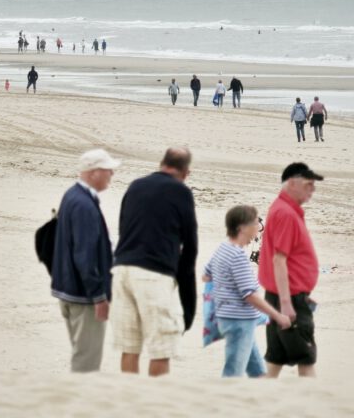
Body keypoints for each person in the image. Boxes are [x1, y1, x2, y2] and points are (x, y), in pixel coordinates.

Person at [111, 147, 198, 377]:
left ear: (162, 164)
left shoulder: (136, 186)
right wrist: (188, 307)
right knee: (161, 349)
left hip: (122, 270)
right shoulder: (181, 192)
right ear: (186, 172)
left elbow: (123, 229)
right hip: (153, 273)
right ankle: (154, 396)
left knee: (130, 346)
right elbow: (190, 248)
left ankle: (130, 396)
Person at [51, 149, 119, 373]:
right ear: (94, 172)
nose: (112, 174)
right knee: (86, 364)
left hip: (70, 289)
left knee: (82, 356)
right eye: (108, 170)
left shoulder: (73, 195)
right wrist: (99, 297)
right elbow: (85, 256)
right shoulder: (83, 204)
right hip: (83, 296)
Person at [202, 205, 291, 378]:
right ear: (242, 228)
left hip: (230, 318)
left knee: (258, 373)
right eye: (256, 223)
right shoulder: (238, 256)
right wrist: (277, 316)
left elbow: (206, 276)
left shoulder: (223, 249)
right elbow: (249, 295)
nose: (259, 228)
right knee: (232, 374)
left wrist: (225, 292)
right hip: (239, 322)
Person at [259, 162, 323, 378]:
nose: (312, 190)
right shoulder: (285, 213)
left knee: (275, 360)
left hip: (279, 296)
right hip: (289, 299)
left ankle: (256, 397)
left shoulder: (283, 209)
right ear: (292, 183)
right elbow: (279, 260)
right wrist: (287, 303)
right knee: (306, 359)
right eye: (308, 184)